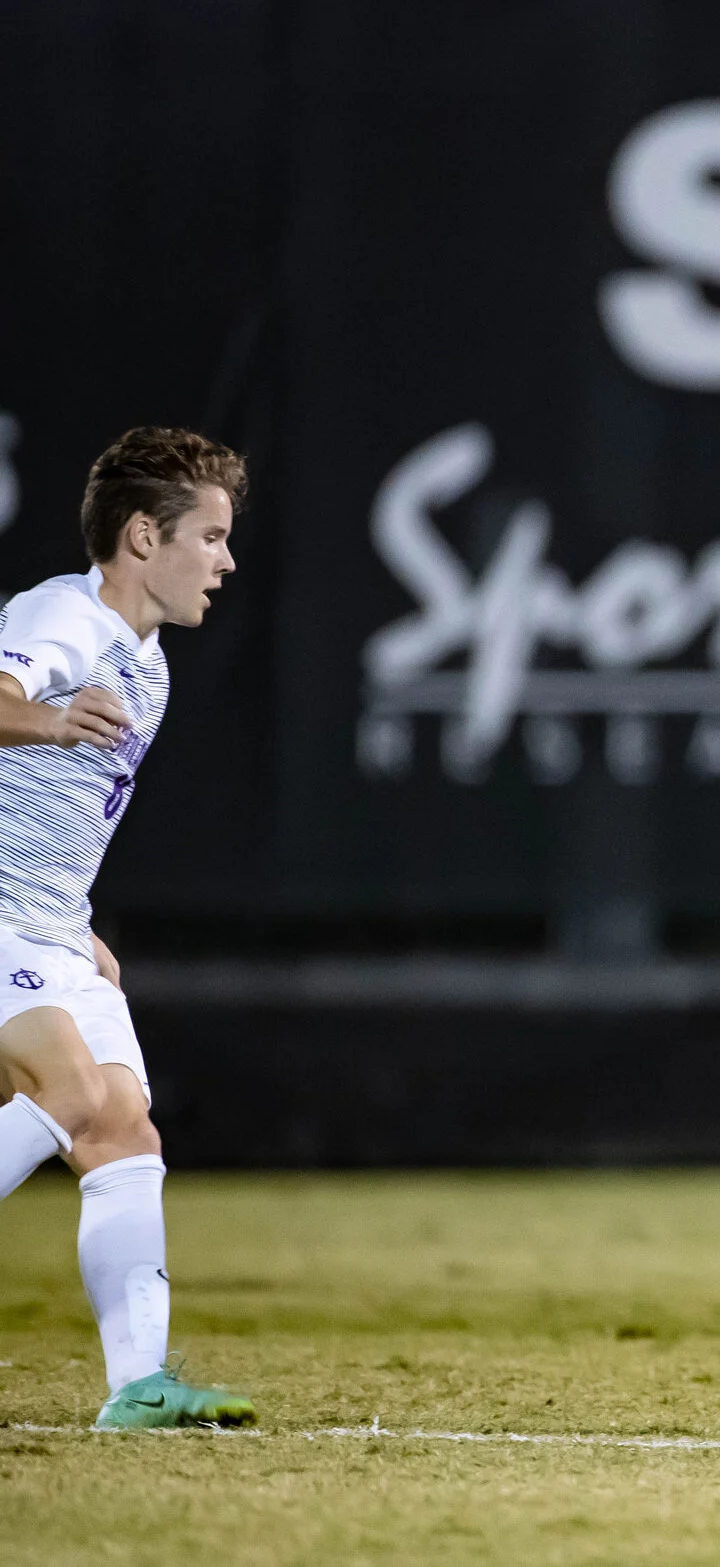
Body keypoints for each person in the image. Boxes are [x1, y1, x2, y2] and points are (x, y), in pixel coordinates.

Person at [0, 427, 255, 1430]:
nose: (227, 561)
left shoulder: (146, 661)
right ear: (145, 537)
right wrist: (52, 719)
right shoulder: (65, 616)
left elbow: (50, 810)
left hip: (47, 927)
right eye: (213, 535)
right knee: (69, 1087)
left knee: (119, 1126)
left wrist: (78, 920)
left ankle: (138, 1384)